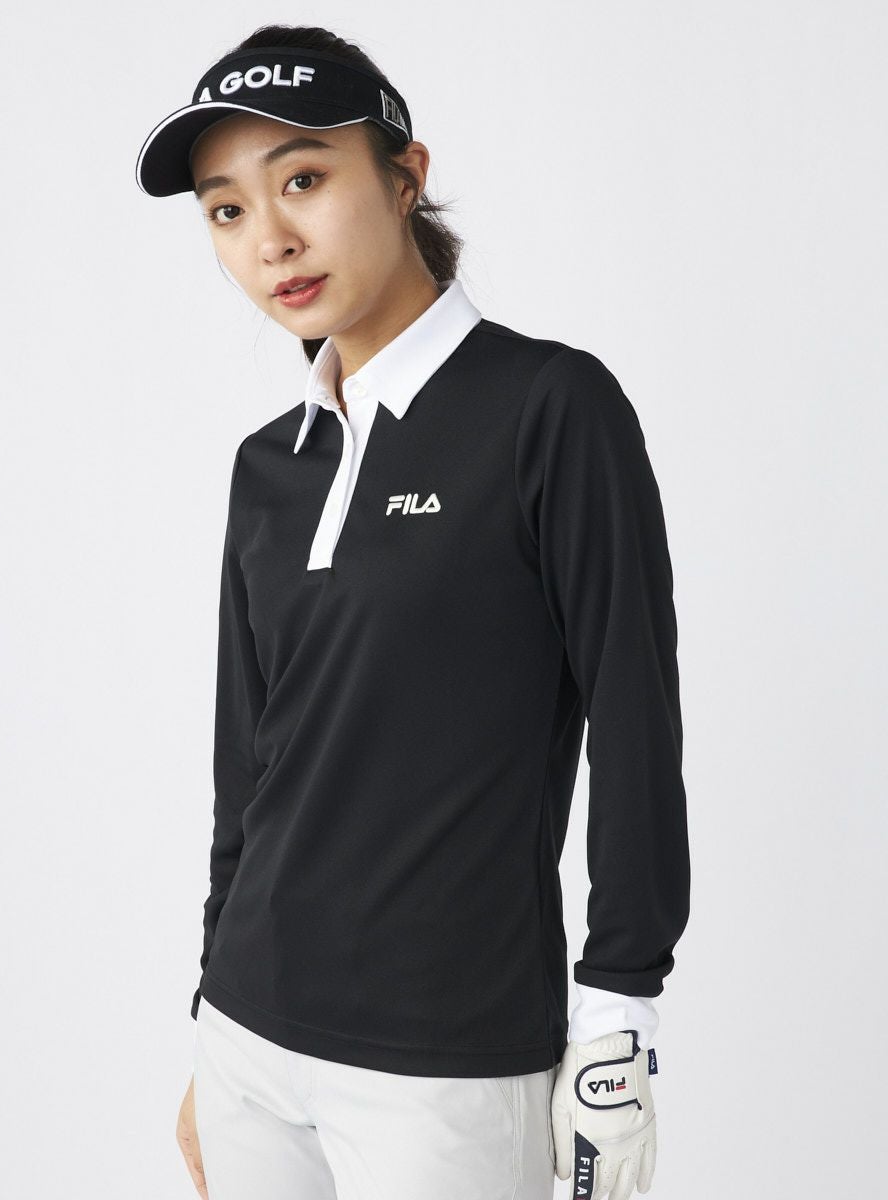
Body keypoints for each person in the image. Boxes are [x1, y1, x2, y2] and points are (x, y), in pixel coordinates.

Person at [135, 23, 690, 1200]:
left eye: (302, 178)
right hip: (249, 1044)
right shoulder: (268, 464)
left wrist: (618, 1017)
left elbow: (634, 715)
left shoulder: (549, 408)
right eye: (226, 209)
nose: (269, 238)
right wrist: (208, 1019)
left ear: (404, 175)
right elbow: (248, 767)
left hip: (447, 1064)